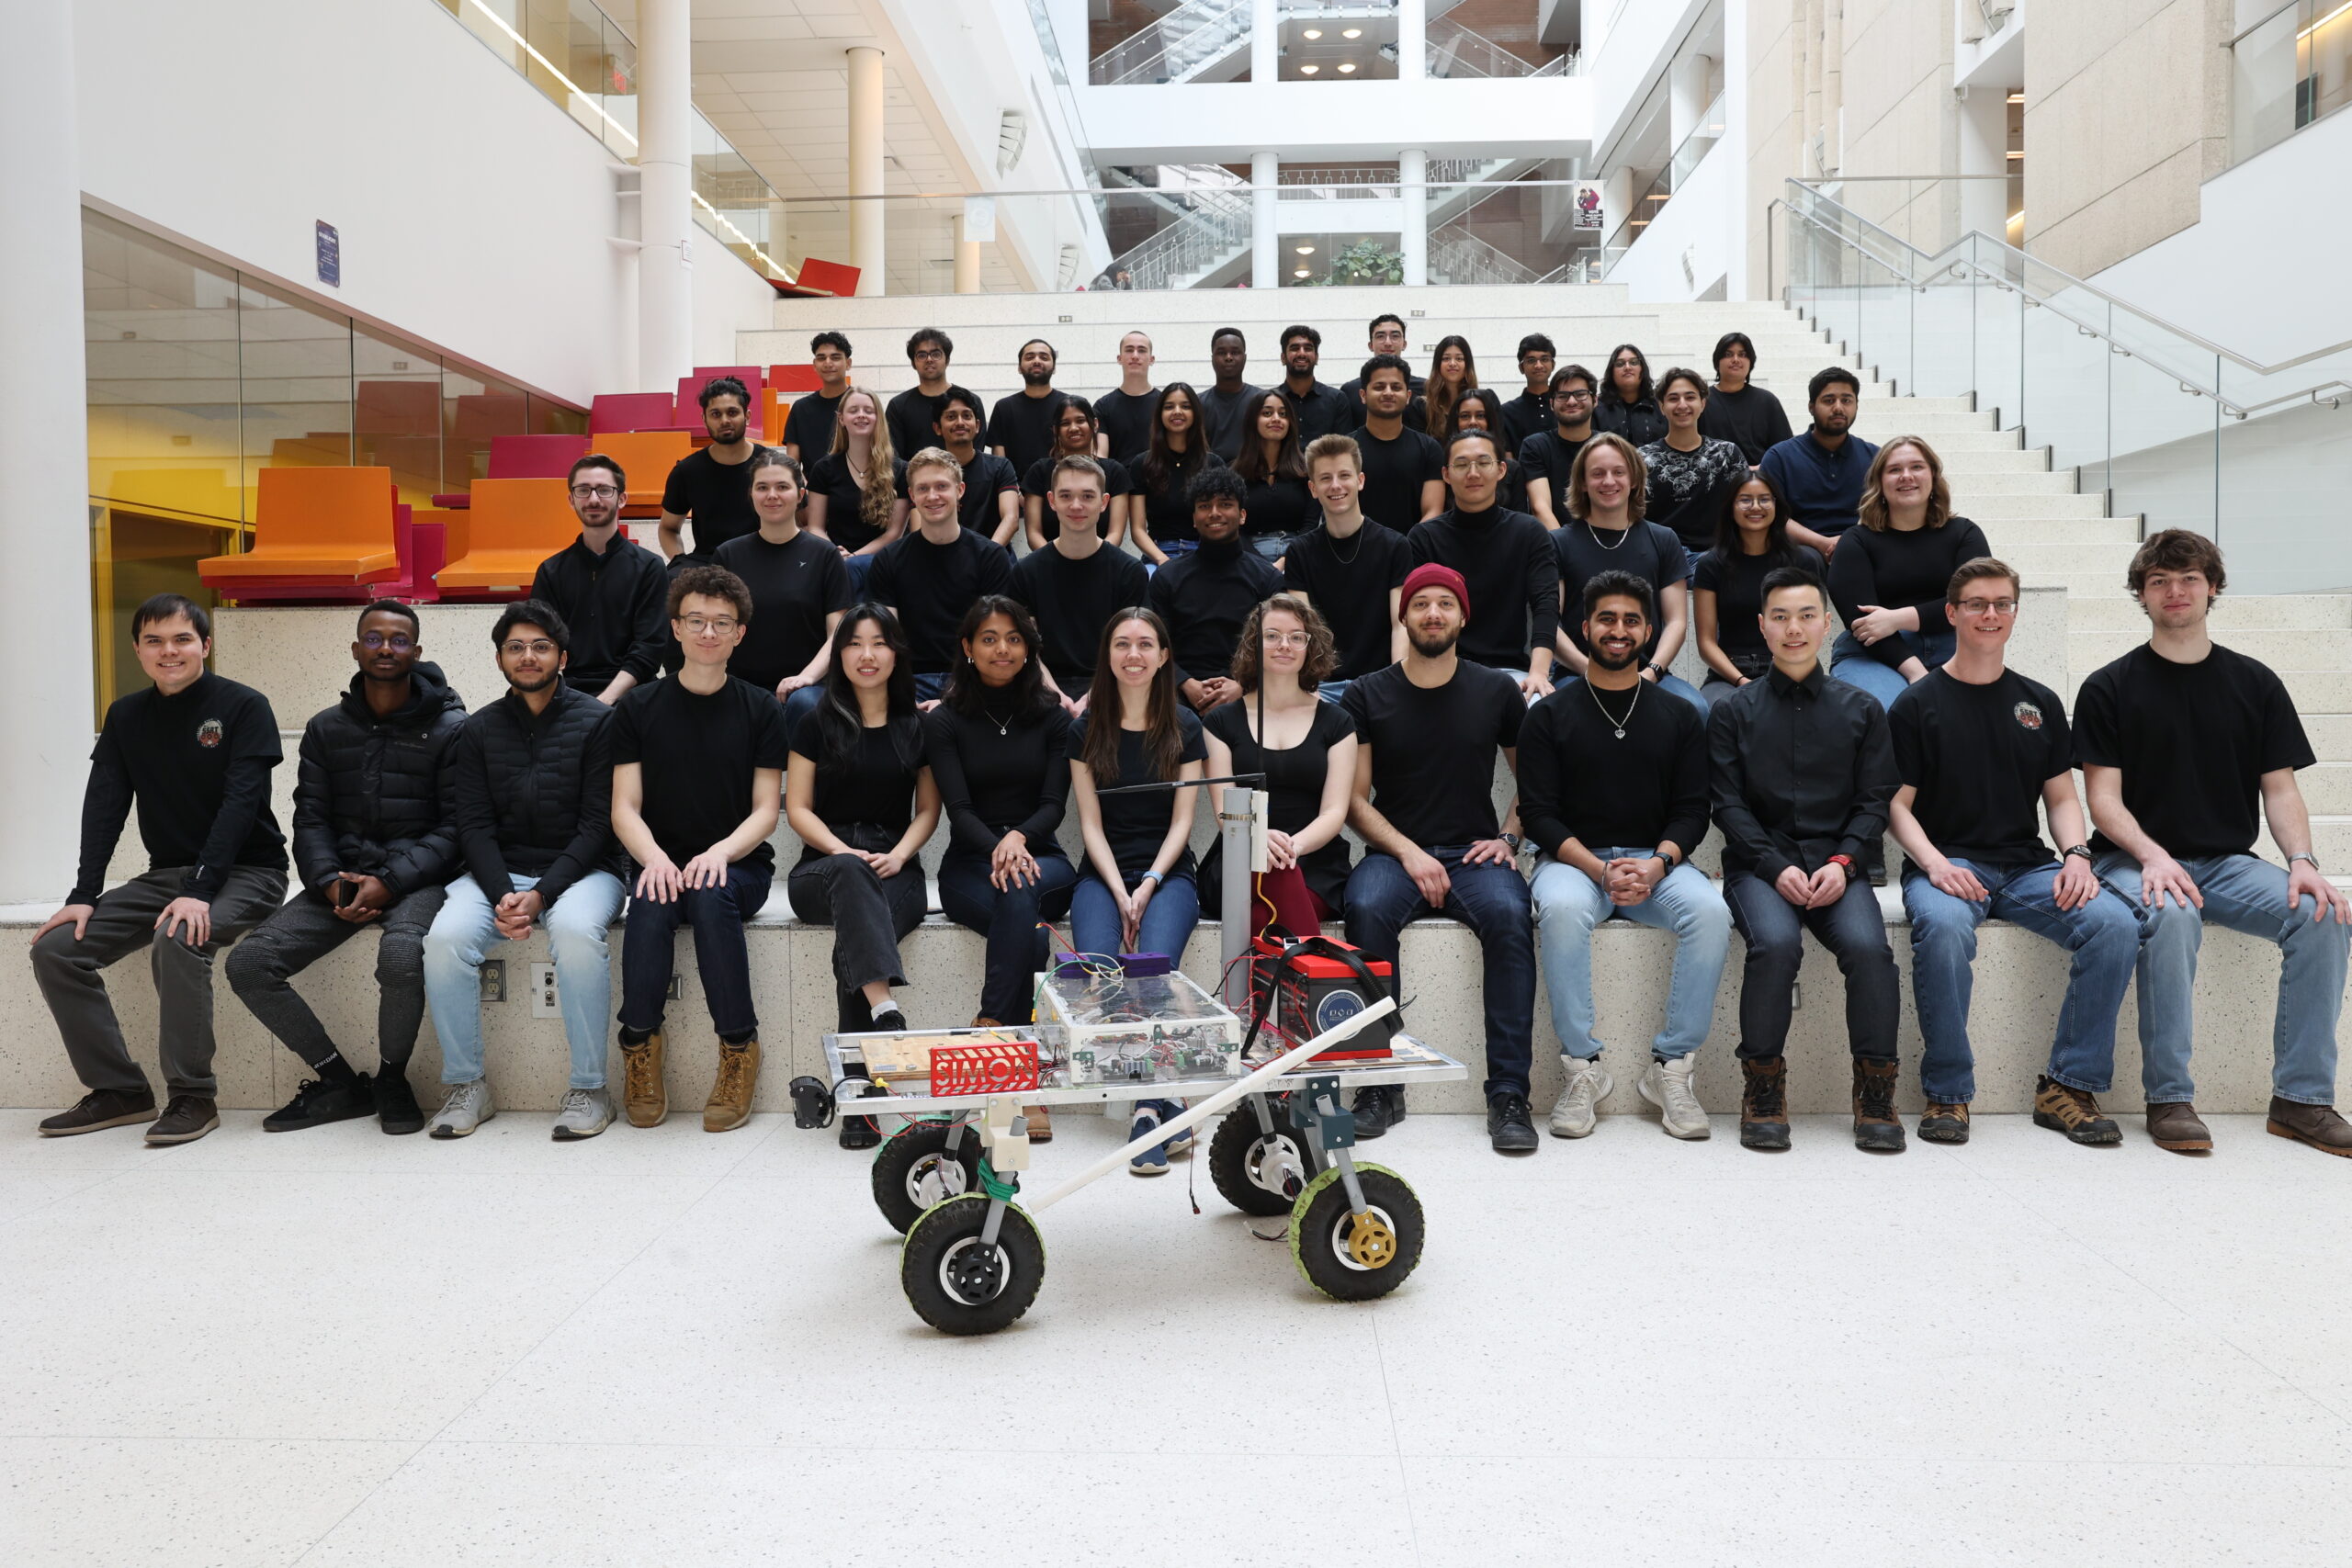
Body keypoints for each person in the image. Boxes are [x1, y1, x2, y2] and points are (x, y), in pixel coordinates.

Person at [2075, 528, 2352, 1156]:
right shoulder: (2108, 686)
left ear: (2213, 587)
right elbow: (2103, 802)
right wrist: (2153, 856)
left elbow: (2279, 790)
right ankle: (2169, 1096)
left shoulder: (2255, 683)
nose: (2175, 591)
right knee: (2171, 914)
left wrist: (2303, 862)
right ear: (2141, 595)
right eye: (2159, 581)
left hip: (2227, 862)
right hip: (2132, 859)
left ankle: (2302, 1099)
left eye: (2189, 579)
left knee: (2320, 913)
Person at [1889, 557, 2140, 1147]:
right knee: (1945, 928)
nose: (1990, 614)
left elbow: (2060, 797)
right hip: (1947, 861)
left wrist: (2077, 854)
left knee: (2114, 923)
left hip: (2027, 867)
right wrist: (1935, 865)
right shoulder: (1917, 703)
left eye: (2002, 603)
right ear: (1951, 613)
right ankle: (1947, 1094)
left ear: (2015, 613)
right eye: (1976, 603)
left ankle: (2067, 1087)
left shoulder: (2039, 702)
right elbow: (1895, 806)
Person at [31, 595, 288, 1145]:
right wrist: (84, 893)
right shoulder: (126, 716)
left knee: (179, 936)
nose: (168, 651)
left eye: (181, 639)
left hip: (249, 871)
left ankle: (193, 1096)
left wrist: (201, 888)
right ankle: (120, 1091)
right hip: (166, 876)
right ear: (138, 650)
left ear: (205, 646)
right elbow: (104, 805)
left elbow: (241, 806)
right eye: (154, 641)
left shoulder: (244, 706)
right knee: (56, 949)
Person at [227, 602, 466, 1136]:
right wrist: (331, 882)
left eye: (399, 640)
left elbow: (456, 831)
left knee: (402, 953)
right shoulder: (325, 728)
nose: (386, 648)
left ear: (417, 652)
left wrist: (389, 882)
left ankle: (391, 1078)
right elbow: (310, 819)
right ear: (356, 649)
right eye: (374, 639)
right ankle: (339, 1081)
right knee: (249, 964)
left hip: (419, 881)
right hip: (340, 880)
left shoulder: (452, 729)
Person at [1521, 571, 1726, 1141]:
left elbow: (1692, 809)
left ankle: (1671, 1068)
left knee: (1711, 913)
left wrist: (1658, 863)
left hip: (1657, 864)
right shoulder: (1549, 716)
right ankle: (1583, 1069)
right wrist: (1598, 868)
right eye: (1606, 619)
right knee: (1561, 911)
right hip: (1574, 864)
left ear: (1648, 630)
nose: (1618, 630)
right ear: (1584, 628)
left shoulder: (1681, 715)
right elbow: (1539, 813)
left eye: (1631, 620)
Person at [1341, 565, 1536, 1153]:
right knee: (1365, 909)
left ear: (1462, 616)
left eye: (1444, 604)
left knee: (1509, 919)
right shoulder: (1366, 693)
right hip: (1394, 852)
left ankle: (1508, 1095)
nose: (1432, 613)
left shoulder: (1496, 690)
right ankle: (1379, 1083)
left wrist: (1509, 837)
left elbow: (1537, 782)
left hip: (1476, 852)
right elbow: (1354, 800)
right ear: (1404, 617)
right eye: (1421, 604)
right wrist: (1409, 853)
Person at [1708, 570, 1904, 1153]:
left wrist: (1843, 862)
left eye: (1806, 616)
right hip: (1758, 867)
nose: (1794, 629)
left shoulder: (1863, 709)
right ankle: (1763, 1088)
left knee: (1871, 950)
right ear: (1763, 626)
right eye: (1781, 617)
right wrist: (1773, 866)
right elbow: (1727, 803)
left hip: (1838, 866)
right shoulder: (1731, 711)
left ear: (1826, 624)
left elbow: (1874, 802)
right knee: (1776, 945)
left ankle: (1875, 1092)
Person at [423, 603, 628, 1139]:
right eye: (516, 647)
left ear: (563, 656)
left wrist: (541, 895)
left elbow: (597, 825)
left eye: (540, 646)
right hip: (498, 872)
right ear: (499, 659)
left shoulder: (599, 722)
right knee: (445, 938)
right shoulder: (478, 729)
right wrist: (501, 894)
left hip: (585, 872)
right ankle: (468, 1086)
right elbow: (472, 825)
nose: (528, 656)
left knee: (576, 933)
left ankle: (589, 1088)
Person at [605, 566, 785, 1137]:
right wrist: (655, 859)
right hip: (659, 859)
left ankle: (738, 1048)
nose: (709, 632)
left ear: (740, 634)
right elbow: (624, 808)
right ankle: (638, 1045)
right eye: (697, 621)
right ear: (676, 629)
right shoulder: (638, 708)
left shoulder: (761, 708)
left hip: (736, 867)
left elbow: (765, 810)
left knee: (709, 896)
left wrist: (719, 855)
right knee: (652, 902)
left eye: (722, 623)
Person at [786, 607, 940, 1150]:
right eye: (854, 644)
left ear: (895, 653)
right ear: (839, 654)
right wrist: (842, 849)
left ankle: (856, 1089)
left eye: (879, 644)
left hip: (895, 870)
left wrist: (898, 854)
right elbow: (797, 808)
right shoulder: (813, 720)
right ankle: (885, 1014)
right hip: (820, 870)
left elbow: (927, 811)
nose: (867, 655)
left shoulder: (917, 726)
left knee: (851, 944)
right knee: (850, 879)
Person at [1066, 608, 1206, 1175]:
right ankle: (1164, 1098)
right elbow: (1090, 825)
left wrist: (1147, 884)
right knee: (1103, 969)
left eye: (1146, 644)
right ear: (1108, 655)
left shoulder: (1185, 726)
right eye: (1121, 644)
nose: (1133, 655)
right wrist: (1120, 888)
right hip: (1101, 871)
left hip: (1169, 871)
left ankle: (1147, 1109)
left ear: (1164, 656)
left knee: (1153, 967)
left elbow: (1182, 824)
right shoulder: (1085, 728)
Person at [927, 595, 1078, 1031]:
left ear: (1028, 648)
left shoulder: (1053, 717)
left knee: (1020, 883)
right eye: (989, 639)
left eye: (1013, 639)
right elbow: (958, 809)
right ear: (968, 647)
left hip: (1043, 858)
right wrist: (999, 847)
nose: (1002, 649)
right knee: (1029, 937)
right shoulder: (945, 721)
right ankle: (1012, 1043)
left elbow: (1054, 805)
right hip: (969, 865)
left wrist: (1018, 840)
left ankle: (990, 1022)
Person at [1200, 594, 1358, 938]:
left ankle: (1282, 990)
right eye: (1272, 636)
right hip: (1239, 856)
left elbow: (1334, 812)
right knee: (1277, 875)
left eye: (1296, 636)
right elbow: (1224, 811)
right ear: (1254, 645)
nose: (1284, 645)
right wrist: (1260, 840)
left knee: (1263, 917)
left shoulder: (1338, 722)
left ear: (1309, 646)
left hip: (1314, 861)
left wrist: (1292, 848)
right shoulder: (1221, 723)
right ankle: (1326, 984)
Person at [1826, 436, 1989, 708]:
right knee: (1890, 712)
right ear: (1879, 483)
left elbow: (1976, 603)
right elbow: (1864, 625)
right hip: (1873, 654)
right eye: (1894, 470)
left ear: (1933, 477)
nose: (1906, 476)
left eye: (1916, 467)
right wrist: (1916, 673)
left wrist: (1896, 618)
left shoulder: (1965, 534)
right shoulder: (1856, 541)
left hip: (1954, 648)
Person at [1551, 434, 1705, 713]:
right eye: (1597, 474)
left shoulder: (1664, 539)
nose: (1608, 481)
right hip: (1577, 674)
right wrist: (1593, 672)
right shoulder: (1557, 543)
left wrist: (1652, 673)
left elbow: (1676, 622)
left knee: (1696, 707)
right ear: (1583, 483)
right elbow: (1549, 622)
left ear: (1634, 479)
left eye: (1618, 472)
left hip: (1649, 674)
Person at [712, 450, 853, 748]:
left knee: (805, 706)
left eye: (782, 487)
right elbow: (716, 629)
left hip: (807, 685)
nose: (772, 495)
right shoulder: (728, 554)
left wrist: (805, 678)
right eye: (762, 487)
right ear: (751, 494)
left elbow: (837, 633)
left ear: (800, 494)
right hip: (742, 684)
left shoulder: (825, 555)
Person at [1405, 428, 1559, 698]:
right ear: (1446, 475)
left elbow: (1545, 604)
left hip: (1513, 671)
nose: (1473, 473)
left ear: (1501, 470)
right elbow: (1415, 615)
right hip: (1444, 669)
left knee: (1538, 711)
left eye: (1483, 462)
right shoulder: (1425, 537)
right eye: (1461, 464)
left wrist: (1539, 673)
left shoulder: (1529, 532)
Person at [868, 446, 1017, 701]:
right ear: (912, 496)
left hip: (973, 681)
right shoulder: (888, 560)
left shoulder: (991, 557)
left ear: (960, 491)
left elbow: (994, 639)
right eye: (923, 489)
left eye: (941, 486)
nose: (932, 496)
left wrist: (955, 697)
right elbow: (885, 638)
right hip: (909, 682)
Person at [1012, 456, 1151, 712]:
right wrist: (1058, 698)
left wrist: (1091, 699)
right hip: (1043, 686)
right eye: (1066, 496)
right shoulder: (1026, 571)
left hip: (1112, 684)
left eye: (1088, 496)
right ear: (1052, 501)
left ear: (1104, 502)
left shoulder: (1129, 572)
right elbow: (1025, 648)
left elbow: (1131, 648)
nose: (1076, 506)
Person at [532, 452, 668, 704]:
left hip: (633, 694)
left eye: (604, 490)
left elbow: (648, 650)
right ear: (571, 500)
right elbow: (542, 645)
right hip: (567, 694)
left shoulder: (650, 567)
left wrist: (604, 701)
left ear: (622, 498)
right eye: (584, 490)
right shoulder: (550, 572)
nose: (593, 499)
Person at [1285, 434, 1412, 698]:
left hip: (1379, 683)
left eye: (1344, 475)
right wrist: (1310, 686)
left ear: (1360, 480)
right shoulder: (1299, 551)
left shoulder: (1395, 546)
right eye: (1325, 478)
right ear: (1312, 488)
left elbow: (1401, 625)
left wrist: (1397, 685)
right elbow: (1303, 628)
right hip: (1322, 687)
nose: (1335, 486)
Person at [1148, 466, 1283, 713]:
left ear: (1242, 515)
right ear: (1194, 518)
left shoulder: (1267, 578)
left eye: (1225, 504)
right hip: (1179, 694)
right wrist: (1185, 683)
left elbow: (1275, 645)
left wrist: (1242, 686)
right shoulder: (1167, 577)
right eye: (1204, 506)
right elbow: (1155, 643)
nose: (1214, 513)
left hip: (1247, 691)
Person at [1692, 468, 1826, 705]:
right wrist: (1742, 682)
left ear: (1776, 506)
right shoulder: (1710, 564)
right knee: (1716, 711)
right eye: (1745, 500)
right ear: (1731, 508)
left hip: (1790, 666)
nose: (1756, 507)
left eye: (1764, 499)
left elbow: (1811, 627)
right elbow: (1706, 643)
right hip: (1729, 674)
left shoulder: (1804, 561)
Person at [1638, 367, 1750, 567]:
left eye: (1690, 397)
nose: (1682, 405)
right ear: (1661, 406)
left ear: (1703, 403)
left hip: (1719, 554)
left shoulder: (1727, 454)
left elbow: (1745, 505)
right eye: (1673, 399)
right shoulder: (1642, 459)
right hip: (1662, 557)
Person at [1760, 367, 1877, 558]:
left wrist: (1848, 542)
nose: (1838, 407)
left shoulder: (1874, 456)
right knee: (1806, 558)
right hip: (1802, 548)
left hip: (1860, 544)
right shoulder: (1780, 456)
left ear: (1856, 405)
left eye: (1846, 400)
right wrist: (1822, 543)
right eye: (1829, 400)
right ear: (1811, 406)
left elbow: (1883, 510)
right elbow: (1773, 515)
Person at [804, 387, 908, 588]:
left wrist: (853, 558)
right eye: (854, 410)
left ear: (878, 417)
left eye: (868, 411)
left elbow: (894, 533)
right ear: (841, 419)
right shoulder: (823, 469)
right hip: (835, 562)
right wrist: (836, 554)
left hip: (882, 565)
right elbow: (815, 527)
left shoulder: (900, 469)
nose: (861, 415)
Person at [659, 376, 766, 563]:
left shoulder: (774, 464)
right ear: (704, 419)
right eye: (716, 414)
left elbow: (802, 522)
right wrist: (680, 561)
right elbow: (668, 528)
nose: (725, 420)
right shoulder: (686, 471)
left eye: (732, 412)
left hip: (764, 561)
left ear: (747, 417)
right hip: (708, 566)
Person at [1129, 380, 1225, 565]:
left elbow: (1219, 521)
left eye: (1186, 406)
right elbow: (1138, 530)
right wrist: (1163, 561)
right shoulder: (1141, 464)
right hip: (1158, 555)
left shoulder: (1213, 463)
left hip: (1203, 553)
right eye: (1169, 406)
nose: (1177, 411)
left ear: (1195, 414)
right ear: (1160, 415)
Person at [1347, 354, 1445, 532]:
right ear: (1363, 395)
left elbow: (1433, 511)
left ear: (1408, 396)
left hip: (1413, 552)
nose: (1388, 392)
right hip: (1357, 552)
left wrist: (1404, 549)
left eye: (1396, 387)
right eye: (1379, 387)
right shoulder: (1345, 449)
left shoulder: (1429, 448)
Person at [1022, 395, 1131, 549]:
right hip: (1049, 566)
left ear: (1095, 424)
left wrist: (1095, 560)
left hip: (1102, 563)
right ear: (1056, 430)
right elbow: (1033, 533)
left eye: (1080, 421)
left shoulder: (1115, 472)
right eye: (1065, 423)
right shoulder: (1039, 471)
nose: (1073, 428)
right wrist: (1054, 561)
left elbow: (1115, 534)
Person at [1229, 389, 1317, 555]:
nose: (1276, 419)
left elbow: (1311, 523)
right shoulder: (1235, 473)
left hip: (1298, 553)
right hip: (1250, 557)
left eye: (1283, 414)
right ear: (1253, 420)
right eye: (1267, 413)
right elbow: (1234, 528)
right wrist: (1261, 566)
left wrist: (1287, 560)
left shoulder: (1305, 470)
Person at [931, 385, 1022, 546]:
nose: (960, 422)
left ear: (977, 425)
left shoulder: (1000, 467)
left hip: (993, 556)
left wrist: (988, 558)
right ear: (938, 428)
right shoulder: (928, 472)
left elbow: (1011, 519)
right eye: (951, 417)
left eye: (967, 416)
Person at [1521, 364, 1599, 531]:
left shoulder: (1608, 446)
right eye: (1563, 396)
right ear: (1551, 403)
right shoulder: (1535, 446)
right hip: (1556, 545)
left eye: (1580, 394)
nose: (1571, 401)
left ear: (1595, 400)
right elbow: (1540, 508)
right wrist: (1565, 549)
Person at [1698, 331, 1793, 462]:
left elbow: (1785, 450)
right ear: (1717, 362)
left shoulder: (1767, 401)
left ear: (1751, 362)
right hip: (1714, 478)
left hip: (1758, 478)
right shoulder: (1701, 402)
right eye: (1728, 354)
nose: (1736, 359)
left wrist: (1759, 471)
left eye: (1742, 355)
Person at [1445, 388, 1530, 514]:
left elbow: (1520, 518)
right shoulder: (1442, 465)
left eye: (1480, 416)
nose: (1473, 422)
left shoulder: (1512, 469)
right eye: (1465, 416)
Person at [987, 338, 1064, 477]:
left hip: (1061, 488)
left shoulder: (1068, 405)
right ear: (1019, 367)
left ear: (1054, 368)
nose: (1036, 360)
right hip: (1016, 492)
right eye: (1030, 357)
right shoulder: (1004, 407)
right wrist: (1011, 489)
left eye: (1044, 357)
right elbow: (999, 458)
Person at [1338, 312, 1426, 428]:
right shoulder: (1349, 391)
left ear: (1404, 344)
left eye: (1395, 336)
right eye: (1380, 336)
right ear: (1370, 345)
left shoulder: (1425, 388)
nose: (1388, 343)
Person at [780, 332, 853, 463]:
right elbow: (792, 463)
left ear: (848, 363)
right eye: (821, 358)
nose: (828, 363)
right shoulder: (801, 408)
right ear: (814, 365)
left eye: (835, 358)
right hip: (811, 483)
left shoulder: (863, 404)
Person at [886, 327, 955, 459]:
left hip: (960, 479)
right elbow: (894, 458)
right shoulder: (898, 406)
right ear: (913, 363)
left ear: (947, 360)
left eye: (936, 354)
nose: (929, 359)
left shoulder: (968, 402)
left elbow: (974, 454)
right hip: (913, 479)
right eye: (922, 355)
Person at [1093, 330, 1161, 463]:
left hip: (1158, 480)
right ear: (1119, 358)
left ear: (1151, 359)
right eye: (1129, 350)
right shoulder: (1102, 406)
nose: (1135, 356)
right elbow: (1101, 457)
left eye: (1142, 350)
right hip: (1118, 481)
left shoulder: (1165, 403)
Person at [1274, 323, 1351, 443]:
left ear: (1316, 358)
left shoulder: (1337, 400)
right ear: (1283, 358)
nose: (1301, 354)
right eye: (1294, 348)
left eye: (1308, 348)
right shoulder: (1270, 400)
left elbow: (1343, 449)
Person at [1199, 327, 1262, 461]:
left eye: (1235, 352)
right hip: (1210, 479)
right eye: (1221, 353)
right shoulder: (1198, 403)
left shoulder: (1262, 400)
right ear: (1212, 359)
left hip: (1253, 479)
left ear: (1245, 358)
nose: (1228, 357)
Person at [1593, 344, 1666, 447]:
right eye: (1620, 364)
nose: (1627, 367)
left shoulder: (1660, 405)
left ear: (1642, 369)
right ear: (1611, 372)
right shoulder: (1598, 408)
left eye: (1634, 362)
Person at [1499, 333, 1558, 451]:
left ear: (1553, 365)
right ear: (1521, 367)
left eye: (1544, 359)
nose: (1538, 365)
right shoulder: (1506, 412)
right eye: (1531, 360)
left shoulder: (1565, 406)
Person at [1412, 334, 1476, 438]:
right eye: (1446, 358)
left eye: (1459, 359)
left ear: (1467, 365)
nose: (1452, 363)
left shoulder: (1482, 402)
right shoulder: (1422, 406)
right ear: (1437, 365)